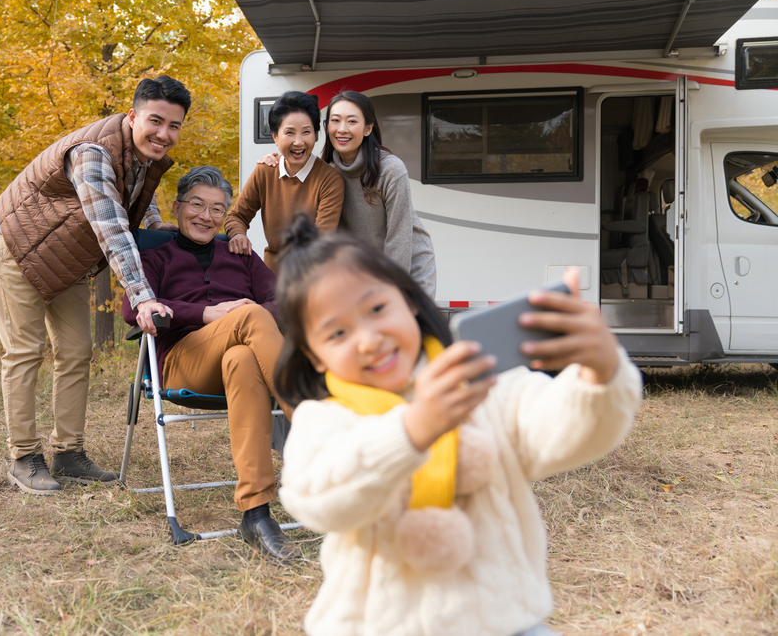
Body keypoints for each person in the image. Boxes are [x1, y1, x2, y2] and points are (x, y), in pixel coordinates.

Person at [272, 214, 642, 636]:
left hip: (502, 621)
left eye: (377, 309)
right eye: (337, 333)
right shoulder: (326, 419)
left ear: (408, 300)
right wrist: (413, 429)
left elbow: (559, 434)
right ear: (315, 356)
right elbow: (317, 498)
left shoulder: (482, 383)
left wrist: (599, 372)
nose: (369, 339)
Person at [0, 76, 190, 496]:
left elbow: (136, 193)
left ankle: (69, 453)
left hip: (66, 255)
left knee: (77, 351)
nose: (164, 134)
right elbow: (113, 229)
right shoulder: (92, 154)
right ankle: (24, 457)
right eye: (155, 121)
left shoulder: (142, 153)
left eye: (174, 126)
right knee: (25, 351)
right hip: (18, 246)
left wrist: (155, 224)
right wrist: (144, 297)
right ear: (132, 115)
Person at [122, 166, 301, 562]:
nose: (206, 216)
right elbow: (129, 309)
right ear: (177, 206)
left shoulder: (239, 254)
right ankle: (315, 426)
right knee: (251, 316)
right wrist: (207, 314)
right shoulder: (155, 257)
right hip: (186, 361)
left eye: (217, 209)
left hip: (243, 364)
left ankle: (255, 514)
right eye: (197, 205)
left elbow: (283, 299)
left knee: (241, 354)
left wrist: (245, 311)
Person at [259, 91, 437, 295]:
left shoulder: (390, 170)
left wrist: (391, 291)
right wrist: (274, 159)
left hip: (406, 269)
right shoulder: (325, 170)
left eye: (352, 121)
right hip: (361, 272)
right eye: (335, 120)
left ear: (368, 128)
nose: (342, 129)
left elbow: (399, 239)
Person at [225, 91, 344, 272]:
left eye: (306, 132)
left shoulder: (330, 180)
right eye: (289, 132)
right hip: (270, 277)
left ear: (316, 135)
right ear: (275, 136)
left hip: (312, 275)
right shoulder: (265, 171)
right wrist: (238, 235)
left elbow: (321, 240)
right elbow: (236, 216)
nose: (299, 142)